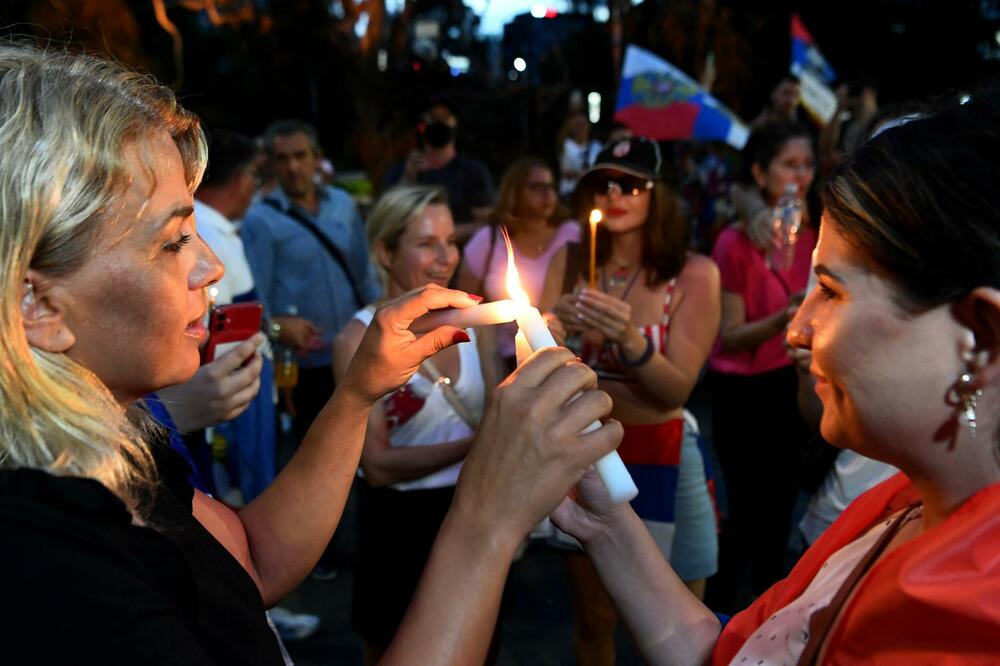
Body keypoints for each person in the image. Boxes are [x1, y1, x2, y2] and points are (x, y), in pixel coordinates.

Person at [0, 43, 624, 665]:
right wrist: (487, 520)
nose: (211, 265)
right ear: (36, 303)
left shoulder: (114, 444)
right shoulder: (53, 576)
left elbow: (250, 557)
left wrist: (357, 392)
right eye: (173, 241)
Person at [550, 90, 1000, 664]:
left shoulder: (968, 622)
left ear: (979, 337)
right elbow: (732, 650)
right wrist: (607, 522)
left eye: (832, 291)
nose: (796, 330)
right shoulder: (895, 503)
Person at [550, 137, 721, 665]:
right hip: (591, 453)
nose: (616, 194)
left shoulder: (692, 274)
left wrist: (631, 339)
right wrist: (547, 331)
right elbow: (541, 366)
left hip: (663, 451)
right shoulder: (573, 260)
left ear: (658, 195)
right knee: (595, 619)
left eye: (631, 184)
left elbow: (676, 389)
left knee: (683, 629)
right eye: (603, 184)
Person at [335, 185, 500, 664]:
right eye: (426, 243)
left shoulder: (478, 322)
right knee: (394, 647)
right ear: (386, 251)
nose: (445, 257)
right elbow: (379, 464)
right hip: (397, 525)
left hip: (469, 512)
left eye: (451, 241)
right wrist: (476, 444)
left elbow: (496, 407)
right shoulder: (357, 340)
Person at [705, 122, 818, 613]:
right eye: (789, 165)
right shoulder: (735, 243)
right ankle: (720, 620)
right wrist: (782, 318)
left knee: (779, 510)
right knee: (747, 510)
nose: (799, 176)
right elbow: (728, 334)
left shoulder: (817, 235)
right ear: (759, 171)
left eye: (807, 165)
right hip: (740, 390)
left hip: (789, 385)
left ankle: (772, 618)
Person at [241, 119, 380, 445]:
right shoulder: (261, 220)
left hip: (355, 350)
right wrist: (275, 328)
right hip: (306, 361)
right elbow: (256, 296)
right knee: (317, 449)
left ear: (316, 158)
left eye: (300, 156)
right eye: (283, 159)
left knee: (366, 442)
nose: (293, 167)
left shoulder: (343, 205)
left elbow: (364, 273)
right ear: (272, 164)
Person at [458, 157, 579, 371]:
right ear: (515, 192)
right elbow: (462, 304)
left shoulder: (571, 234)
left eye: (551, 186)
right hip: (504, 360)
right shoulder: (489, 239)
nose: (548, 194)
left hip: (562, 353)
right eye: (537, 187)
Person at [384, 101, 494, 243]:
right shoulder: (401, 171)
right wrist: (408, 179)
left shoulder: (473, 172)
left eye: (444, 121)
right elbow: (388, 220)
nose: (438, 127)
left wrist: (441, 236)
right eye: (432, 121)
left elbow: (486, 224)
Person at [557, 109, 602, 199]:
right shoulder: (565, 144)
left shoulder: (597, 146)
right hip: (569, 191)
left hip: (589, 191)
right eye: (577, 125)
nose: (581, 128)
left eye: (583, 124)